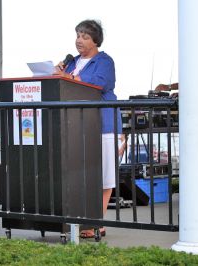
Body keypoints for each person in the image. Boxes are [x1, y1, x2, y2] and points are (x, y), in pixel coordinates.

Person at [53, 19, 122, 238]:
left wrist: (70, 77)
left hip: (103, 124)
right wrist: (57, 74)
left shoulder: (104, 61)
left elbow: (100, 83)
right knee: (82, 175)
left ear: (95, 41)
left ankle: (97, 223)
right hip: (77, 126)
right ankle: (82, 221)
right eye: (77, 35)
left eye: (84, 37)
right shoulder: (72, 62)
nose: (79, 40)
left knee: (104, 176)